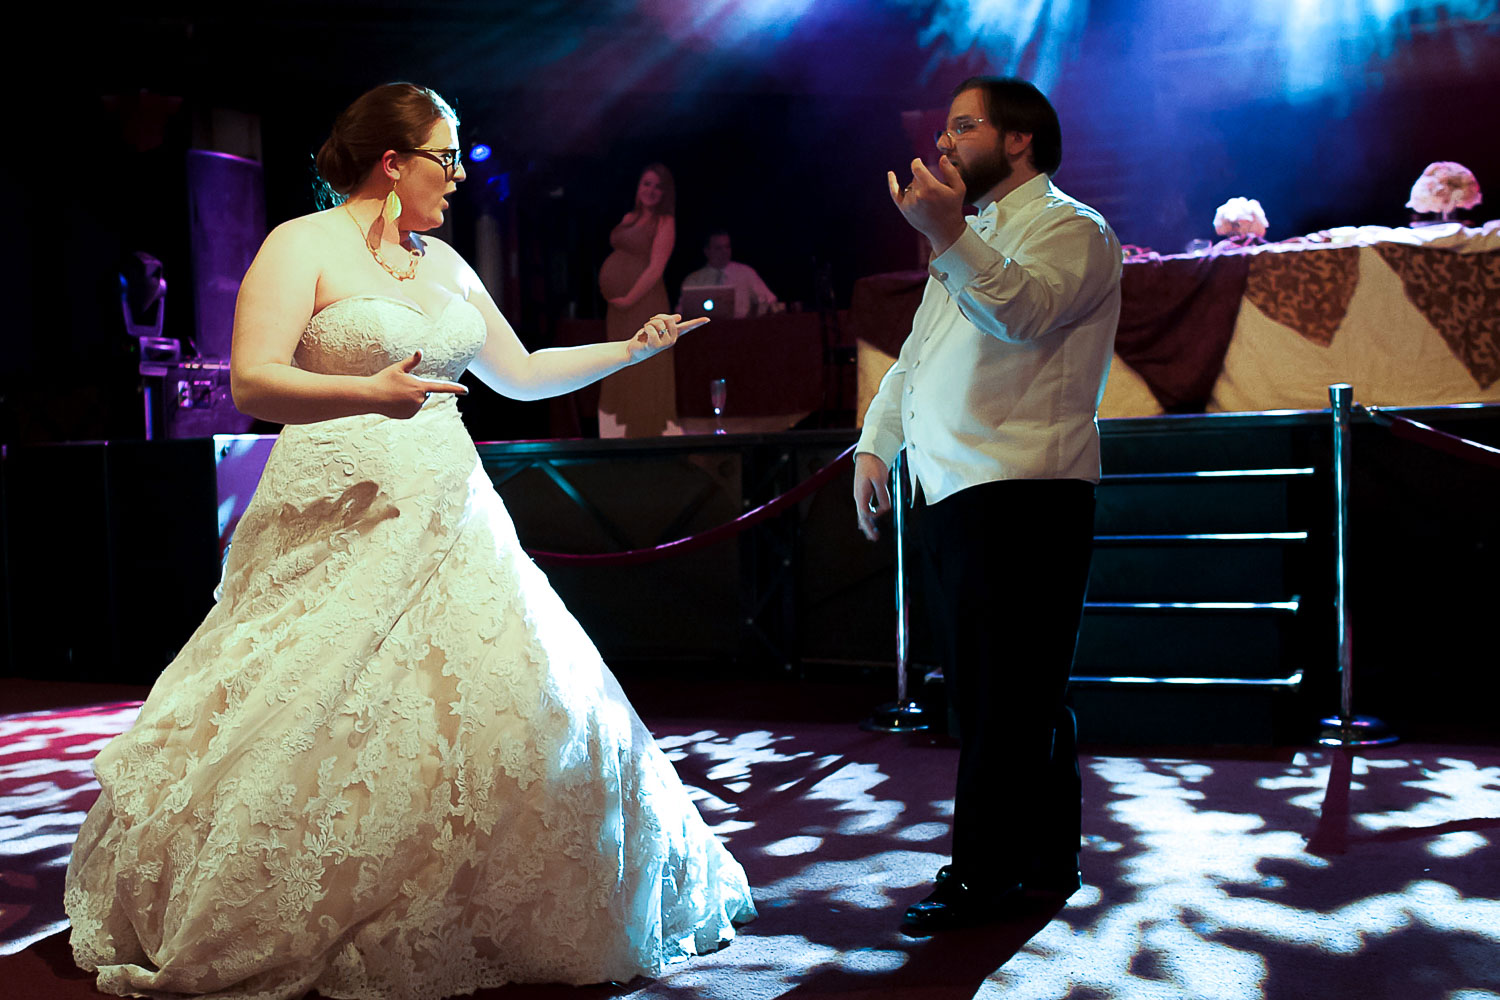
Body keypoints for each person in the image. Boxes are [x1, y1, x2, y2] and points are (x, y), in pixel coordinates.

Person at [63, 83, 752, 998]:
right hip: (337, 504)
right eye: (446, 157)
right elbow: (255, 382)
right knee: (307, 700)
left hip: (449, 507)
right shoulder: (301, 245)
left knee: (498, 695)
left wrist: (633, 348)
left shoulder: (448, 265)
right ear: (393, 161)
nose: (459, 177)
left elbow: (522, 371)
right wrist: (368, 393)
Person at [852, 76, 1122, 932]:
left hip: (1027, 489)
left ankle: (983, 879)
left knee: (1006, 696)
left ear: (1018, 141)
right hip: (956, 490)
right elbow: (914, 358)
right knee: (1006, 690)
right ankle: (1044, 858)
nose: (943, 142)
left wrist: (948, 236)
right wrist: (873, 444)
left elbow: (1024, 313)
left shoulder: (1073, 229)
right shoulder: (970, 237)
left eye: (962, 127)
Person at [597, 164, 679, 437]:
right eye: (647, 183)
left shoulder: (664, 222)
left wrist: (630, 298)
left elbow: (656, 267)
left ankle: (645, 428)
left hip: (644, 302)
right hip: (619, 308)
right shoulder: (629, 217)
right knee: (623, 356)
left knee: (645, 358)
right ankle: (621, 426)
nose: (651, 191)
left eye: (658, 186)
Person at [679, 230, 780, 318]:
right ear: (707, 251)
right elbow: (681, 312)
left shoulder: (745, 273)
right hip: (705, 332)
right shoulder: (694, 280)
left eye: (727, 247)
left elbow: (770, 300)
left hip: (741, 330)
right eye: (718, 248)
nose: (724, 252)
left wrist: (756, 313)